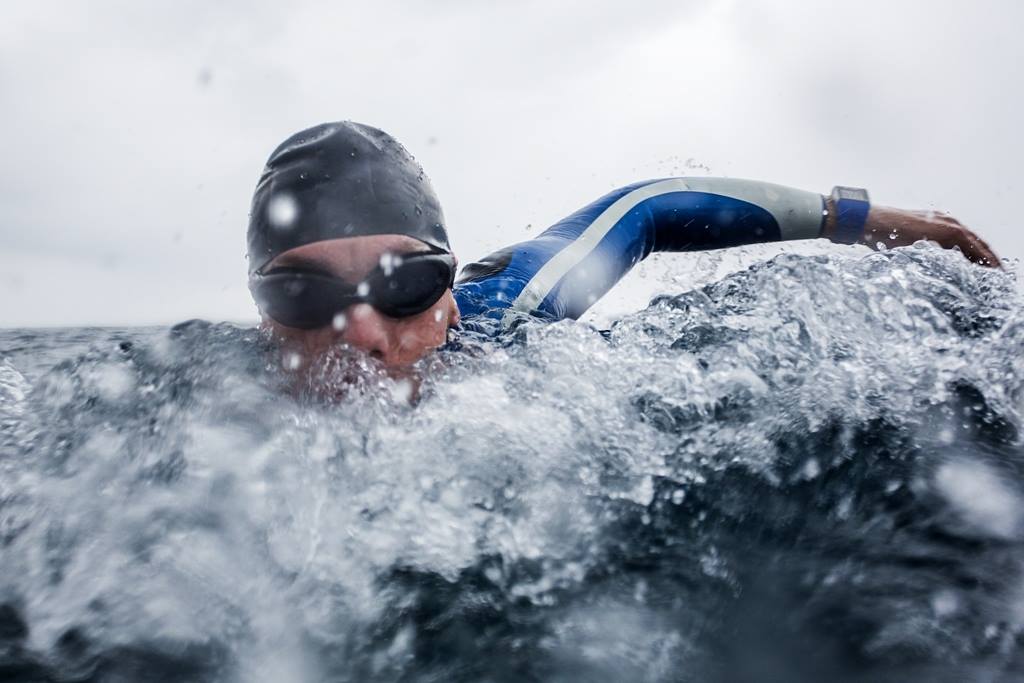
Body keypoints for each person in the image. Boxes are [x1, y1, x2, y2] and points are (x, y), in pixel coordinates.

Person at [247, 121, 1000, 376]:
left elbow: (648, 209)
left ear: (447, 296)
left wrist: (858, 216)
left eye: (403, 282)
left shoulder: (504, 315)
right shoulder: (210, 400)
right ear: (263, 315)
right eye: (305, 295)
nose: (363, 335)